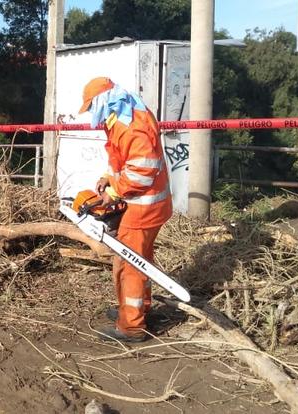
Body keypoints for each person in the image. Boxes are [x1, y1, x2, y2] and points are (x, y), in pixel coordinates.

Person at [78, 77, 173, 343]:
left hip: (143, 207)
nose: (90, 114)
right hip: (147, 204)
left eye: (90, 107)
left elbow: (141, 172)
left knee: (129, 264)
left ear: (102, 102)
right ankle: (136, 309)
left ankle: (131, 326)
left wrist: (113, 193)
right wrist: (109, 176)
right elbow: (122, 159)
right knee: (140, 261)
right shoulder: (125, 116)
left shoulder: (129, 126)